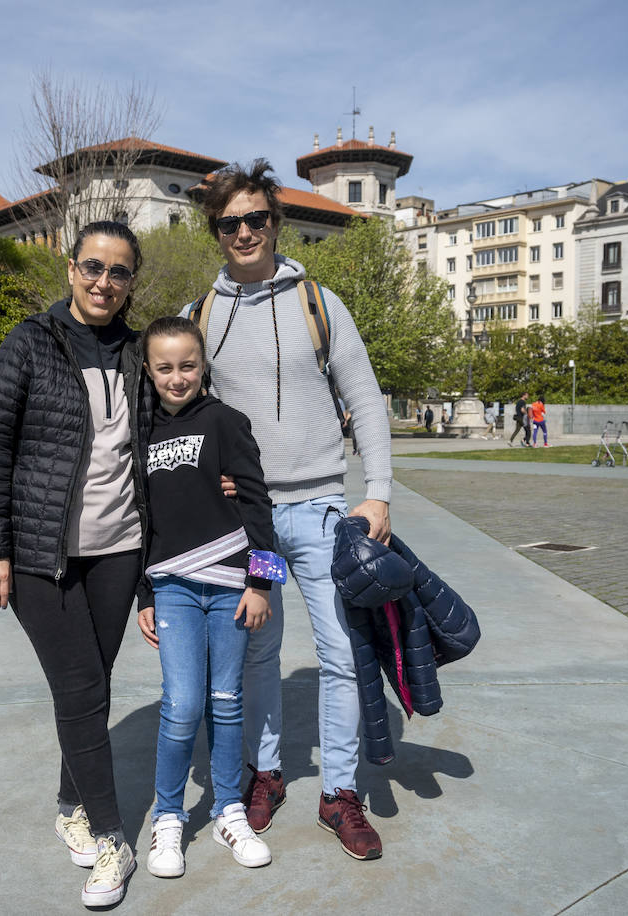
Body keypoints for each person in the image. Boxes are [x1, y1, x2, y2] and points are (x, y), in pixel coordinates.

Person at [183, 160, 392, 860]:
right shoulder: (200, 316)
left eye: (256, 218)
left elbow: (364, 397)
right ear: (216, 232)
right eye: (229, 223)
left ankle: (339, 792)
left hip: (324, 513)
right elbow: (183, 416)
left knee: (341, 654)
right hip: (254, 524)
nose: (245, 232)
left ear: (276, 223)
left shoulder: (320, 303)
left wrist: (380, 492)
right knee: (258, 656)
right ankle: (265, 773)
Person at [0, 221, 149, 909]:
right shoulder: (29, 343)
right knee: (79, 688)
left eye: (120, 271)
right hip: (40, 552)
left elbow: (166, 437)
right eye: (93, 267)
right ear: (71, 269)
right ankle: (111, 836)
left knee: (91, 685)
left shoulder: (136, 352)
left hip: (120, 549)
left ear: (132, 281)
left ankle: (69, 803)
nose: (104, 282)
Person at [134, 316, 275, 878]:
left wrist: (261, 582)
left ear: (203, 366)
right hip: (171, 587)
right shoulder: (140, 432)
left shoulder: (226, 422)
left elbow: (259, 504)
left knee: (226, 701)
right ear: (148, 369)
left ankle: (228, 809)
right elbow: (139, 519)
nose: (176, 377)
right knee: (182, 704)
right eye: (164, 367)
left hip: (230, 586)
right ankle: (168, 818)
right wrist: (144, 591)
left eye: (187, 365)